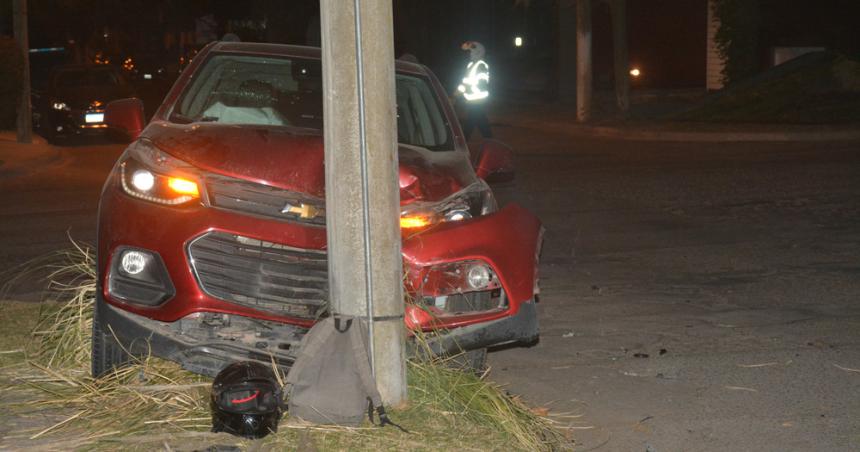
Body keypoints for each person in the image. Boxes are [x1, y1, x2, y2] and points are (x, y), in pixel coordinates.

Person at [455, 41, 492, 139]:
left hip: (477, 101)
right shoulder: (471, 65)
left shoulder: (481, 65)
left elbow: (481, 84)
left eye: (472, 51)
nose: (470, 53)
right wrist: (455, 95)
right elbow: (465, 82)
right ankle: (490, 142)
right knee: (481, 123)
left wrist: (466, 89)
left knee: (471, 124)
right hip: (473, 101)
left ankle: (463, 144)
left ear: (478, 52)